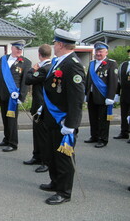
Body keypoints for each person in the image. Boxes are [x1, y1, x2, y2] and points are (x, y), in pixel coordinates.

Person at [39, 29, 85, 205]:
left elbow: (76, 98)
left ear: (60, 45)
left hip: (63, 121)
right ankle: (55, 182)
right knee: (52, 153)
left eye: (55, 43)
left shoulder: (72, 64)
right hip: (52, 117)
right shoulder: (59, 62)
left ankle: (64, 192)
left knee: (64, 157)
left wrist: (71, 124)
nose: (53, 46)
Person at [0, 40, 32, 152]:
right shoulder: (3, 59)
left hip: (13, 97)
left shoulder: (26, 62)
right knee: (5, 118)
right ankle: (6, 139)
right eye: (17, 49)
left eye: (21, 49)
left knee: (12, 120)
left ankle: (13, 143)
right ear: (12, 48)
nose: (19, 51)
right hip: (2, 94)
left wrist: (22, 97)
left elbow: (25, 82)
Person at [23, 44, 51, 173]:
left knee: (43, 135)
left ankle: (45, 161)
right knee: (37, 132)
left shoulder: (44, 68)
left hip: (42, 105)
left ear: (39, 55)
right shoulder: (49, 66)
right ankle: (37, 156)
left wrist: (32, 70)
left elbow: (28, 80)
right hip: (39, 105)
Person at [84, 42, 118, 148]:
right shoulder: (92, 63)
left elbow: (113, 81)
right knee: (93, 117)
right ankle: (94, 136)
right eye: (97, 51)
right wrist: (86, 93)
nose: (98, 53)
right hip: (92, 95)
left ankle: (103, 139)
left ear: (106, 52)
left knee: (103, 119)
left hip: (103, 96)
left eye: (101, 51)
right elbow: (88, 79)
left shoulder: (111, 64)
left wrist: (110, 97)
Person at [114, 48, 130, 142]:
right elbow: (119, 80)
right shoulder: (124, 65)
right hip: (124, 93)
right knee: (124, 113)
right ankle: (124, 132)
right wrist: (117, 93)